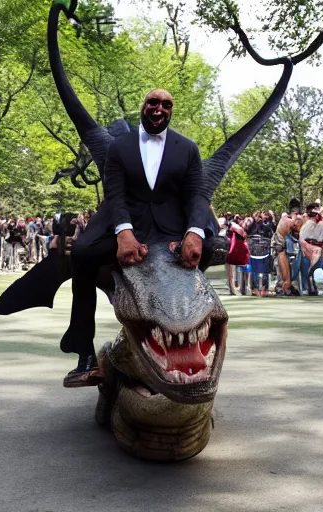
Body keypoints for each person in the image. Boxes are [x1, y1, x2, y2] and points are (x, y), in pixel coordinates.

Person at [61, 88, 209, 387]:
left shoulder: (188, 148)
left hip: (170, 228)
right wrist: (123, 232)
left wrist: (194, 232)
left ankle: (185, 345)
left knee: (212, 248)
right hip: (127, 221)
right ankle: (84, 354)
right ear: (143, 107)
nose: (159, 108)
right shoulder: (120, 146)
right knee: (81, 252)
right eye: (153, 102)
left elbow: (197, 195)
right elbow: (115, 193)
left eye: (166, 104)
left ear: (171, 110)